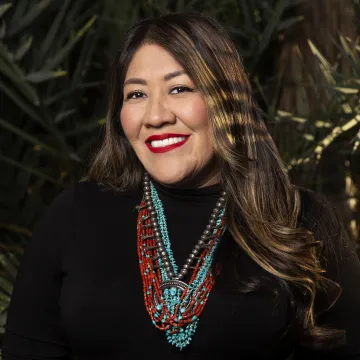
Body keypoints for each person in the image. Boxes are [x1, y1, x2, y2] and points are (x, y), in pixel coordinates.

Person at [1, 11, 360, 360]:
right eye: (136, 95)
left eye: (179, 88)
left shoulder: (300, 220)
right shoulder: (75, 214)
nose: (156, 116)